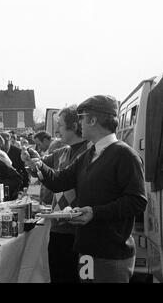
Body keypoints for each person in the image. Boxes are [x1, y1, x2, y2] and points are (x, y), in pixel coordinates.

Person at [22, 95, 147, 283]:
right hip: (87, 250)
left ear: (93, 120)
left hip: (110, 253)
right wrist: (38, 165)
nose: (79, 123)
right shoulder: (91, 153)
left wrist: (94, 213)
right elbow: (60, 180)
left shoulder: (125, 155)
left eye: (81, 118)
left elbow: (137, 202)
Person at [27, 105, 90, 283]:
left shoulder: (91, 151)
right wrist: (30, 160)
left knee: (82, 278)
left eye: (60, 125)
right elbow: (39, 167)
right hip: (58, 229)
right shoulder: (61, 152)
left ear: (74, 126)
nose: (56, 130)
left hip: (82, 231)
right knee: (58, 277)